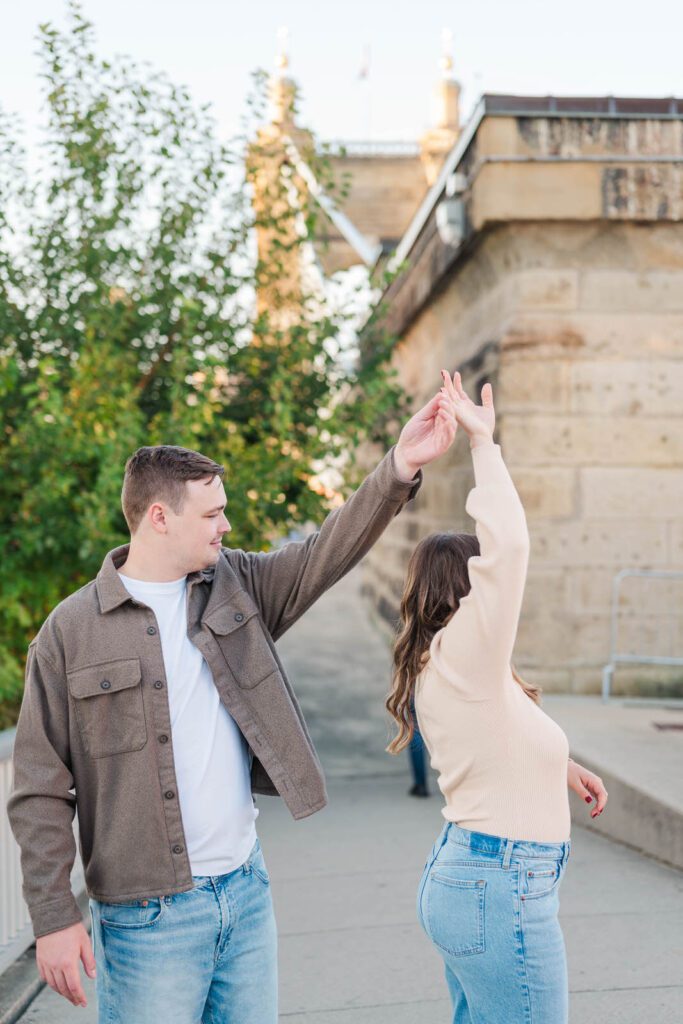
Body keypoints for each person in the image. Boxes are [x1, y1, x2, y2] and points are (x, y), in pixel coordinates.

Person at [7, 384, 460, 1024]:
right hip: (146, 921)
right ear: (159, 517)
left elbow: (324, 553)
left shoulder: (237, 585)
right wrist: (54, 917)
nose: (227, 524)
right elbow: (39, 789)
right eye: (212, 513)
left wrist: (400, 467)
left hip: (245, 895)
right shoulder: (68, 632)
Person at [386, 370, 608, 1024]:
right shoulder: (464, 654)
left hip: (478, 878)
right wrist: (484, 445)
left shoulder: (449, 666)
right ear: (464, 590)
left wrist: (556, 768)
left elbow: (489, 747)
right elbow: (509, 547)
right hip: (498, 886)